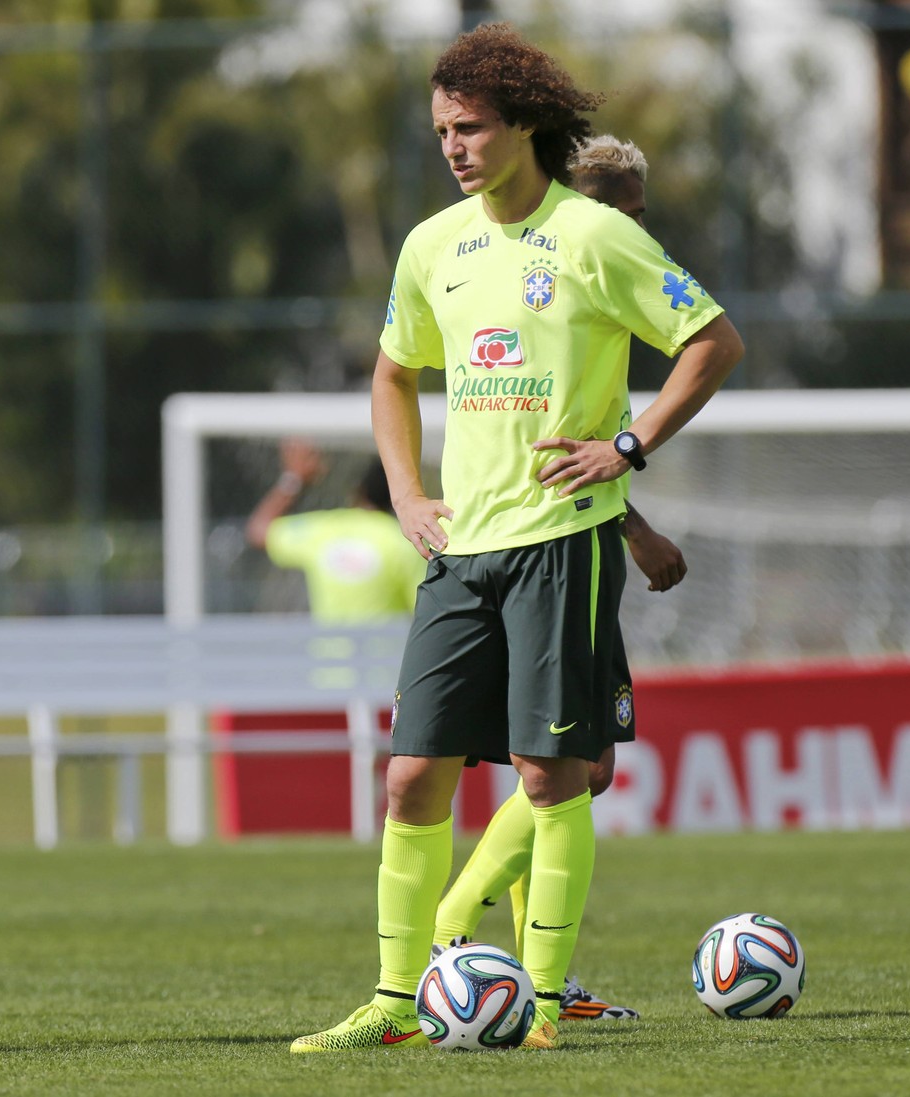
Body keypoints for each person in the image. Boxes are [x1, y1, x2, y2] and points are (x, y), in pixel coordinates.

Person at [291, 24, 742, 1053]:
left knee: (552, 771)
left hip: (562, 542)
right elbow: (393, 373)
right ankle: (395, 1004)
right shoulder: (431, 245)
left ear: (526, 126)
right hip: (463, 550)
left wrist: (626, 446)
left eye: (472, 127)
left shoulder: (594, 235)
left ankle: (540, 1003)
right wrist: (406, 492)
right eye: (443, 130)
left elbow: (712, 340)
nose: (453, 146)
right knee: (411, 774)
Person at [429, 133, 687, 1024]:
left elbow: (591, 442)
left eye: (639, 210)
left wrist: (637, 524)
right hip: (542, 553)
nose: (633, 224)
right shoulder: (556, 274)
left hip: (578, 543)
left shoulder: (599, 295)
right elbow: (559, 450)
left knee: (587, 764)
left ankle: (479, 937)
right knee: (569, 766)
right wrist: (634, 523)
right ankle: (474, 932)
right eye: (620, 204)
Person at [244, 438, 426, 622]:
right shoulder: (406, 541)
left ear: (358, 492)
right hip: (386, 649)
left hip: (329, 650)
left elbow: (258, 530)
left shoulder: (325, 531)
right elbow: (422, 610)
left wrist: (293, 479)